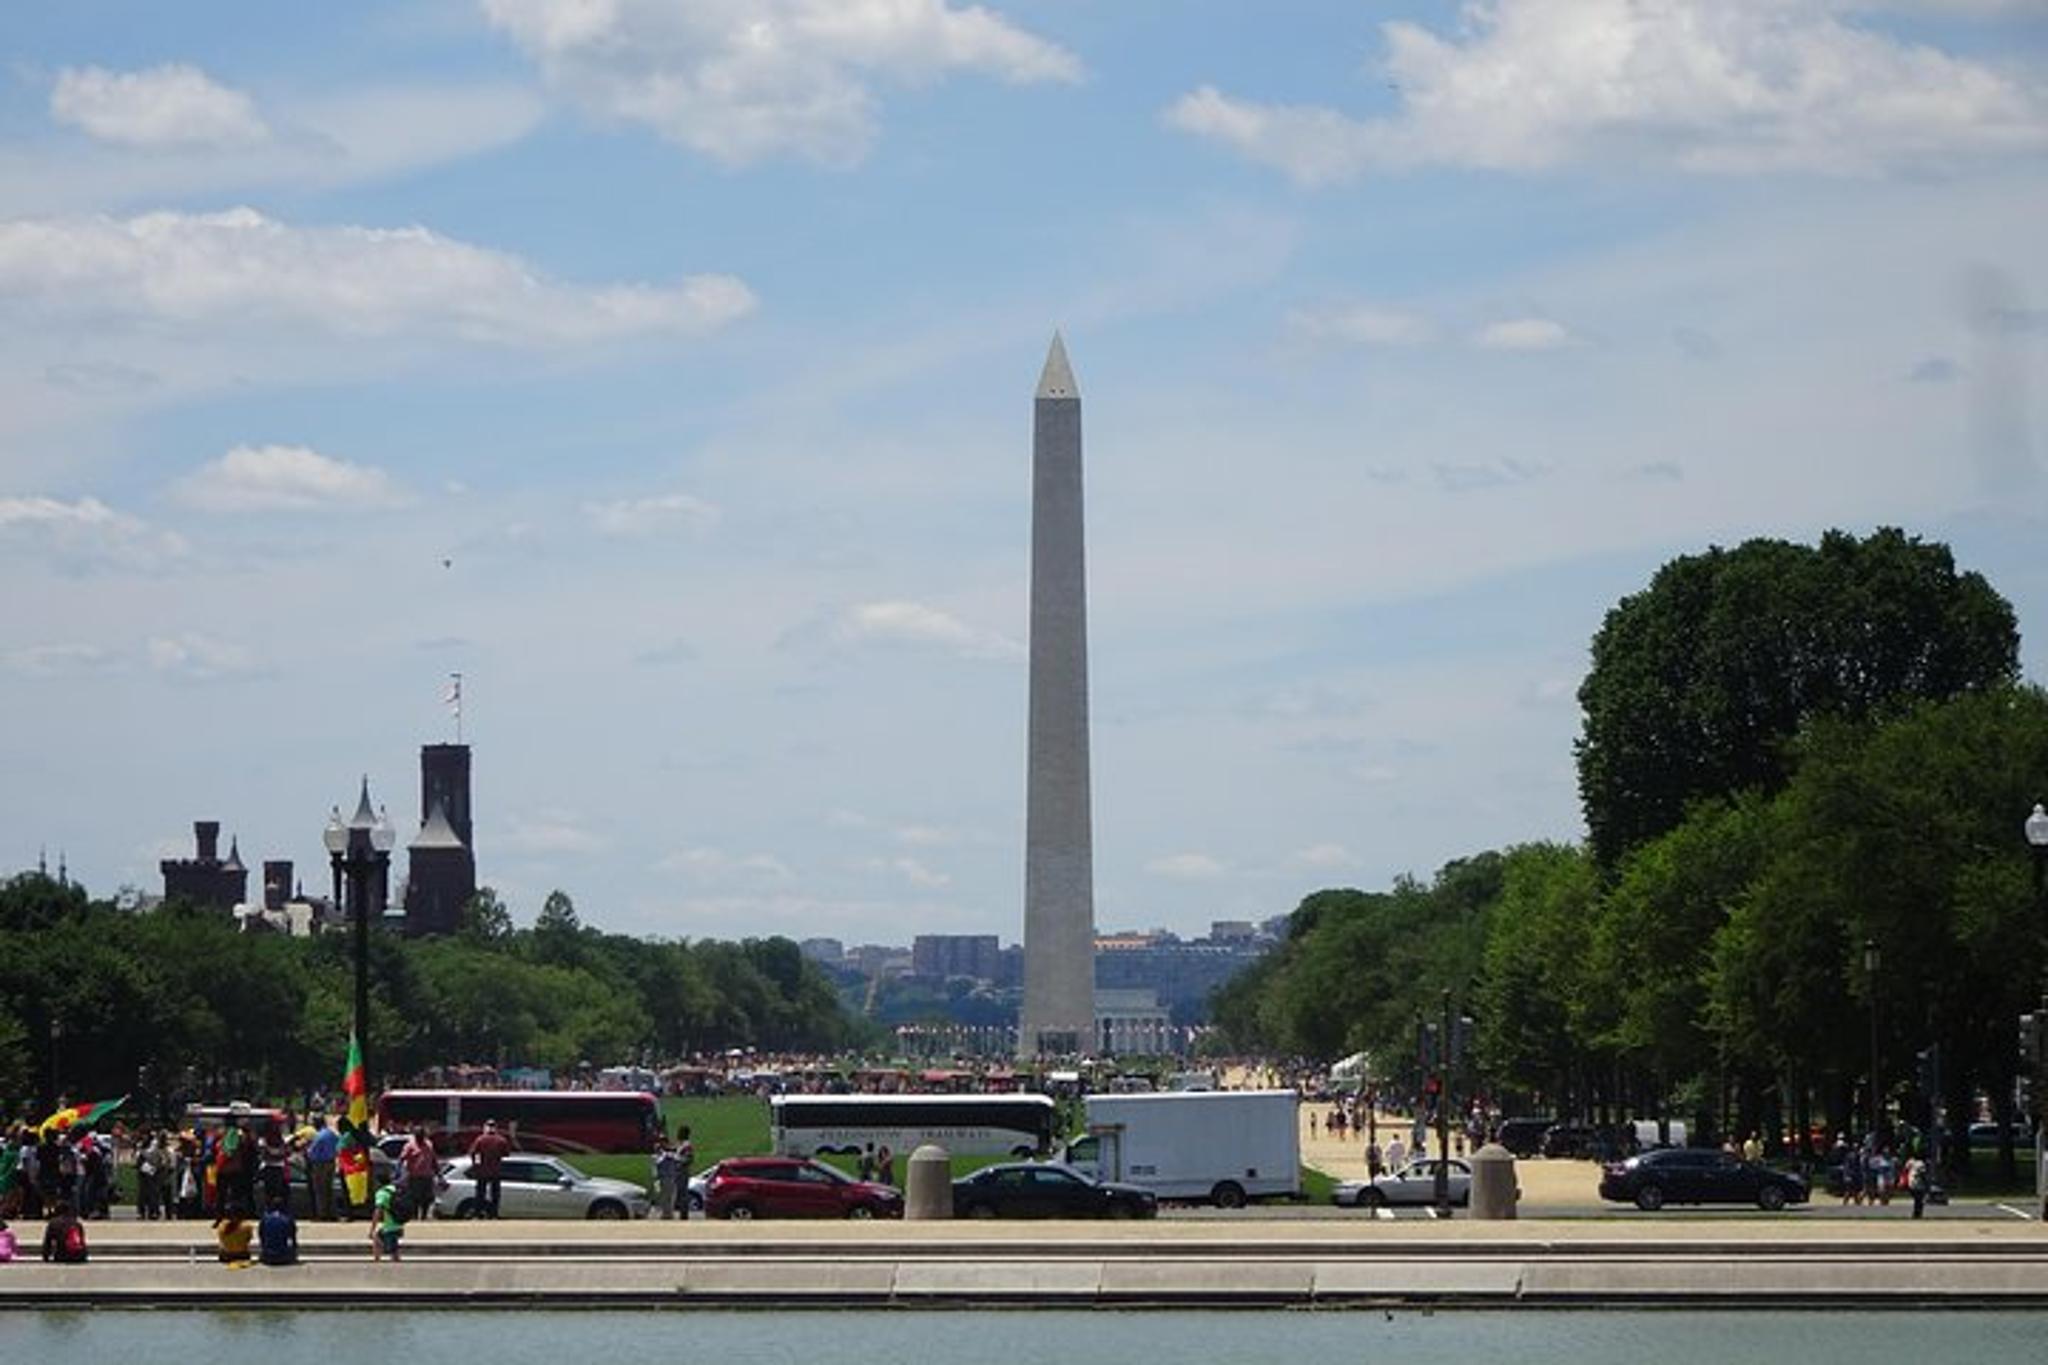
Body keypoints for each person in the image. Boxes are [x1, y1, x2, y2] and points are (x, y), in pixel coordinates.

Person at [469, 1120, 511, 1220]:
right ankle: (493, 1214)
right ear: (496, 1128)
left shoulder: (480, 1139)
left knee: (480, 1194)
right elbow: (506, 1154)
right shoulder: (501, 1140)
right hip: (495, 1171)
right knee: (495, 1195)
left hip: (482, 1172)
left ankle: (477, 1214)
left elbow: (474, 1153)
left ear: (485, 1127)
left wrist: (477, 1165)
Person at [399, 1127, 439, 1221]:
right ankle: (414, 1216)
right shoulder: (409, 1146)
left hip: (427, 1176)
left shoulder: (429, 1145)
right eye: (418, 1136)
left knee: (427, 1198)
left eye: (421, 1136)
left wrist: (438, 1173)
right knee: (414, 1198)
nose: (420, 1138)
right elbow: (401, 1159)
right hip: (414, 1177)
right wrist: (399, 1173)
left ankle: (423, 1216)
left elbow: (433, 1160)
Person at [305, 1117, 339, 1222]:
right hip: (331, 1162)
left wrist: (306, 1151)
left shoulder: (319, 1136)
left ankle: (322, 1214)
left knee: (320, 1190)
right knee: (329, 1189)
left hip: (320, 1164)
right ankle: (331, 1212)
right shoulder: (332, 1134)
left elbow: (312, 1152)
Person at [370, 1181, 405, 1262]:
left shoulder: (381, 1193)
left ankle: (377, 1261)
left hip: (389, 1227)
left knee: (377, 1238)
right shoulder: (394, 1189)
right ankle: (378, 1259)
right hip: (399, 1223)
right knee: (393, 1250)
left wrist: (372, 1228)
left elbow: (377, 1212)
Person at [259, 1199, 300, 1266]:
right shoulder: (288, 1219)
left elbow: (261, 1236)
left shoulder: (265, 1218)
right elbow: (293, 1238)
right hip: (284, 1256)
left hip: (268, 1256)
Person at [653, 1137, 680, 1220]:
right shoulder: (660, 1155)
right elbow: (658, 1162)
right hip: (664, 1178)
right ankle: (666, 1214)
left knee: (671, 1196)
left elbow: (677, 1159)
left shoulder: (669, 1154)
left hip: (671, 1177)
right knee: (664, 1196)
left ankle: (669, 1213)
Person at [1904, 1152, 1930, 1220]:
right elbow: (1923, 1174)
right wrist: (1927, 1183)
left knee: (1917, 1200)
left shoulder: (1910, 1161)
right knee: (1919, 1200)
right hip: (1918, 1183)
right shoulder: (1920, 1163)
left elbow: (1905, 1169)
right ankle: (1918, 1214)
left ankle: (1916, 1214)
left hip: (1911, 1182)